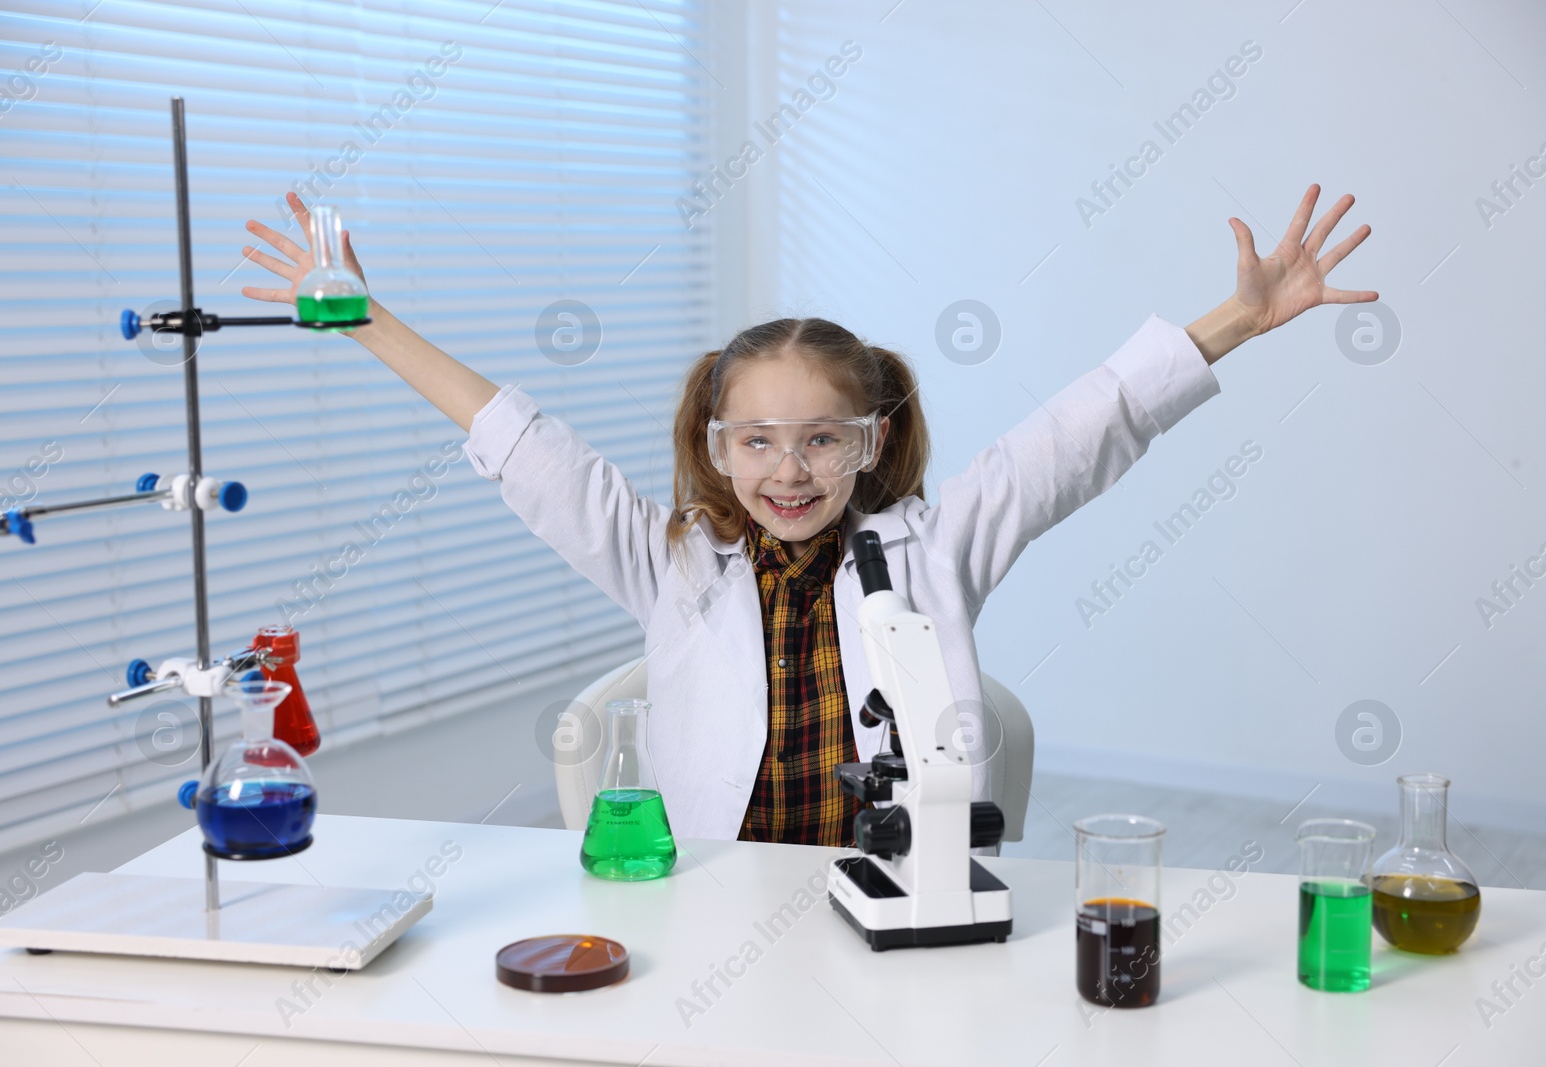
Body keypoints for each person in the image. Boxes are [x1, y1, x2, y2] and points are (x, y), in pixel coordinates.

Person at [239, 184, 1375, 847]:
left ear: (872, 439)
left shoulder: (935, 544)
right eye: (757, 440)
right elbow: (524, 450)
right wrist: (365, 321)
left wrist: (1235, 318)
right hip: (718, 899)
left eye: (823, 437)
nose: (790, 470)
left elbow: (1087, 428)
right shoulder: (668, 559)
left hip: (899, 889)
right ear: (715, 446)